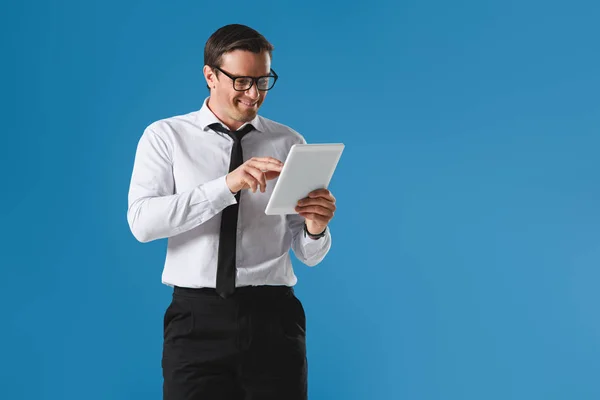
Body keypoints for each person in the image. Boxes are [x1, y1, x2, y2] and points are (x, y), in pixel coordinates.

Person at [126, 23, 337, 400]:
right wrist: (227, 185)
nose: (254, 94)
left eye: (263, 80)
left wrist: (316, 229)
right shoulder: (165, 137)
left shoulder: (289, 142)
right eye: (241, 81)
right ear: (210, 75)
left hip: (275, 317)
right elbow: (143, 223)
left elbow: (308, 255)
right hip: (196, 320)